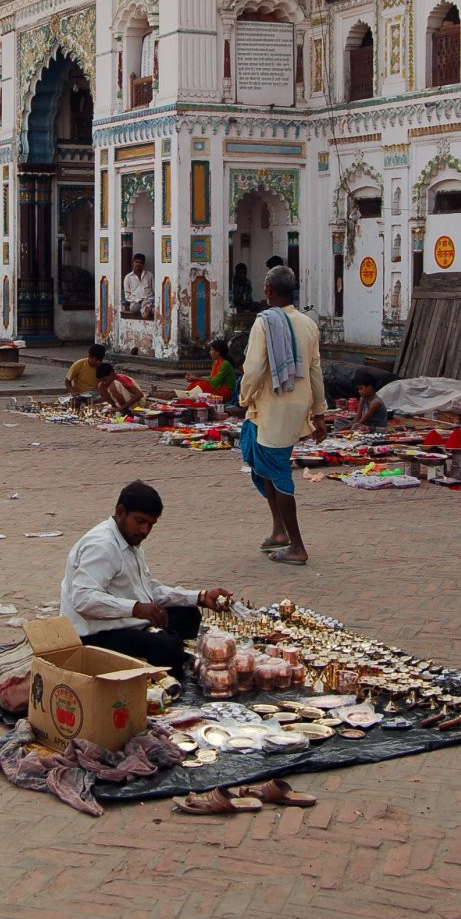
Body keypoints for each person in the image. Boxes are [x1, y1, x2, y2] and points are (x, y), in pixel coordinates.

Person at [60, 481, 232, 670]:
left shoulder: (129, 540)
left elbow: (147, 589)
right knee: (168, 648)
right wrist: (136, 608)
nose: (145, 531)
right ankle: (161, 655)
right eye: (140, 521)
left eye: (151, 524)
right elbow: (83, 600)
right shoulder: (102, 546)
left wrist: (199, 596)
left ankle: (158, 649)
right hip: (93, 635)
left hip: (124, 620)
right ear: (120, 512)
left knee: (188, 615)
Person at [239, 264, 327, 566]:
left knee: (278, 474)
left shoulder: (265, 323)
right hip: (287, 407)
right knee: (258, 462)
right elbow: (316, 371)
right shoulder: (308, 324)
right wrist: (319, 413)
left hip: (273, 407)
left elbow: (253, 369)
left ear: (269, 290)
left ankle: (297, 545)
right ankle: (279, 530)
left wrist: (244, 396)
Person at [122, 254, 154, 318]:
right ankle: (145, 311)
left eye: (140, 262)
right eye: (136, 262)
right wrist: (139, 300)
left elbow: (155, 289)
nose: (138, 264)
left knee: (148, 303)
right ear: (133, 263)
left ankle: (145, 311)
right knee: (134, 308)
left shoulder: (149, 275)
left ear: (143, 264)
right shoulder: (128, 277)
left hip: (149, 299)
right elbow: (127, 295)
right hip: (136, 302)